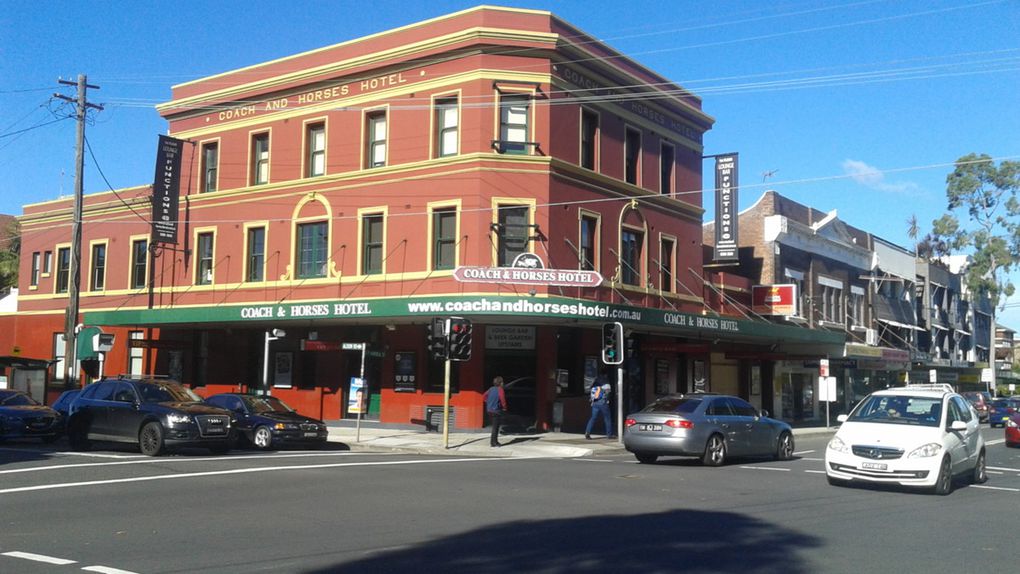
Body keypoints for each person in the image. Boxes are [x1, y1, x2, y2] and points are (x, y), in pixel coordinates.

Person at [585, 370, 614, 439]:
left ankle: (587, 432)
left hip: (595, 403)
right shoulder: (605, 382)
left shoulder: (596, 381)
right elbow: (608, 392)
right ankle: (609, 435)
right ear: (605, 375)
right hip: (603, 403)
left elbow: (591, 389)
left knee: (593, 418)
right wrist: (607, 400)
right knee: (607, 418)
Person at [483, 376, 507, 447]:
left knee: (494, 427)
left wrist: (488, 402)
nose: (503, 383)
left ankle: (494, 442)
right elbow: (502, 400)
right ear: (500, 383)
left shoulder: (490, 389)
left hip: (489, 410)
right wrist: (505, 408)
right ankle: (494, 443)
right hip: (496, 411)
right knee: (495, 428)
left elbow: (484, 396)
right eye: (502, 382)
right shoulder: (500, 390)